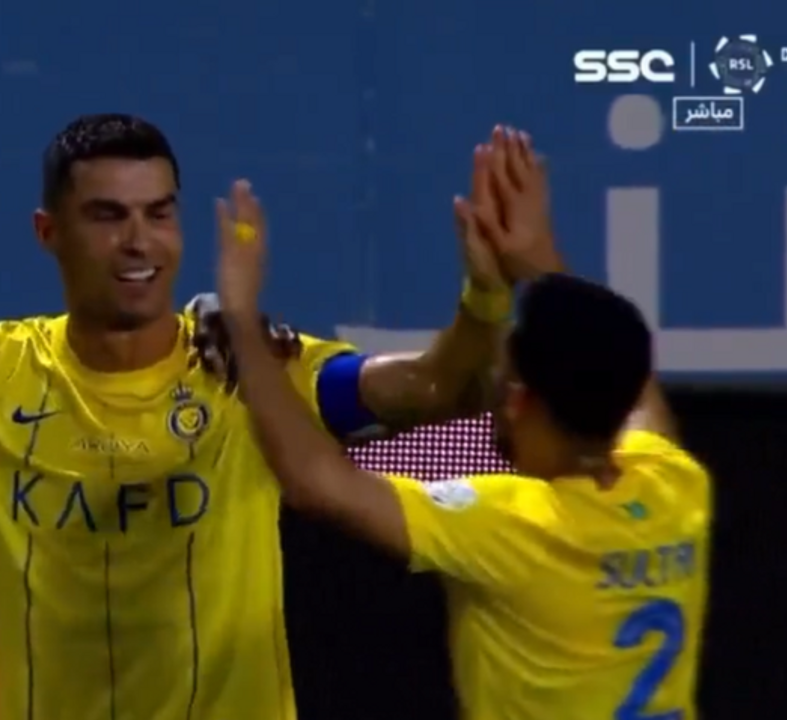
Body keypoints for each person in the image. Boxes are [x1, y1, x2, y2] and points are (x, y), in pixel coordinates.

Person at [0, 114, 516, 719]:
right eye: (108, 216)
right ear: (49, 233)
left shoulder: (250, 369)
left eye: (158, 214)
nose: (140, 243)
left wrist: (484, 295)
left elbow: (438, 388)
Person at [215, 131, 710, 719]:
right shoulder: (675, 485)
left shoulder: (513, 525)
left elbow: (314, 479)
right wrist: (535, 261)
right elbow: (632, 385)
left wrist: (240, 319)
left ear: (520, 400)